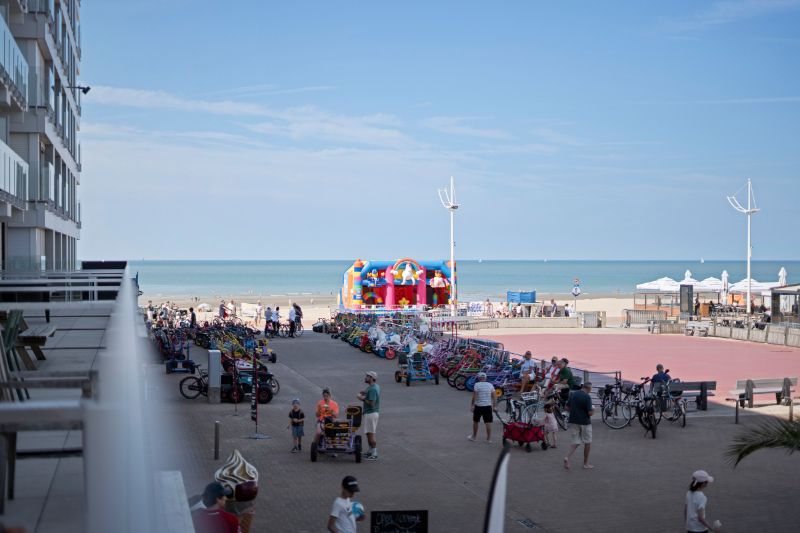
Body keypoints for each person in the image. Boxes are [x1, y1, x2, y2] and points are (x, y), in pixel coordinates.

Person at [563, 381, 594, 470]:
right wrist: (593, 410)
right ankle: (585, 463)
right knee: (587, 442)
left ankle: (567, 457)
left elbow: (567, 407)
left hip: (573, 421)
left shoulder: (573, 394)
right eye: (590, 390)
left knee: (575, 441)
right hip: (584, 422)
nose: (590, 391)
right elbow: (590, 413)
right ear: (588, 388)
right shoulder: (587, 397)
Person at [467, 372, 496, 443]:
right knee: (488, 422)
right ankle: (488, 439)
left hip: (478, 406)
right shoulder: (490, 385)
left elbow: (474, 396)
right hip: (488, 406)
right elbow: (494, 397)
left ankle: (474, 437)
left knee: (476, 422)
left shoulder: (477, 385)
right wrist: (494, 406)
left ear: (479, 378)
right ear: (485, 378)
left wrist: (472, 405)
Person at [358, 371, 380, 460]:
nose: (365, 377)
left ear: (372, 378)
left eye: (367, 376)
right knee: (368, 433)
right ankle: (370, 451)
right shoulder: (372, 387)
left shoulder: (373, 389)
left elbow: (372, 404)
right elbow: (368, 393)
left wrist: (361, 398)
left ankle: (374, 453)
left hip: (371, 413)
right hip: (369, 413)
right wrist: (364, 393)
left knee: (371, 434)